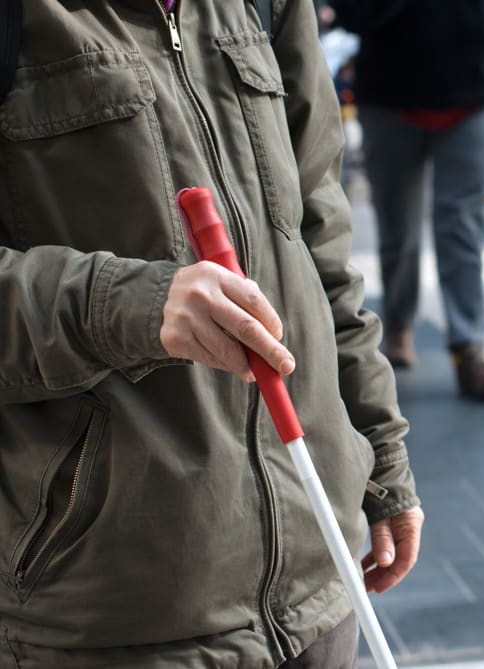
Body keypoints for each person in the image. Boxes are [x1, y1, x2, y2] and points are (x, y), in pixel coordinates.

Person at [0, 2, 423, 667]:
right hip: (121, 611)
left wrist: (381, 461)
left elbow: (319, 237)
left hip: (321, 581)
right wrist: (129, 302)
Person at [331, 0, 484, 401]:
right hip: (391, 98)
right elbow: (353, 15)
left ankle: (469, 350)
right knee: (398, 227)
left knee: (460, 224)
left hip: (475, 95)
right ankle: (398, 328)